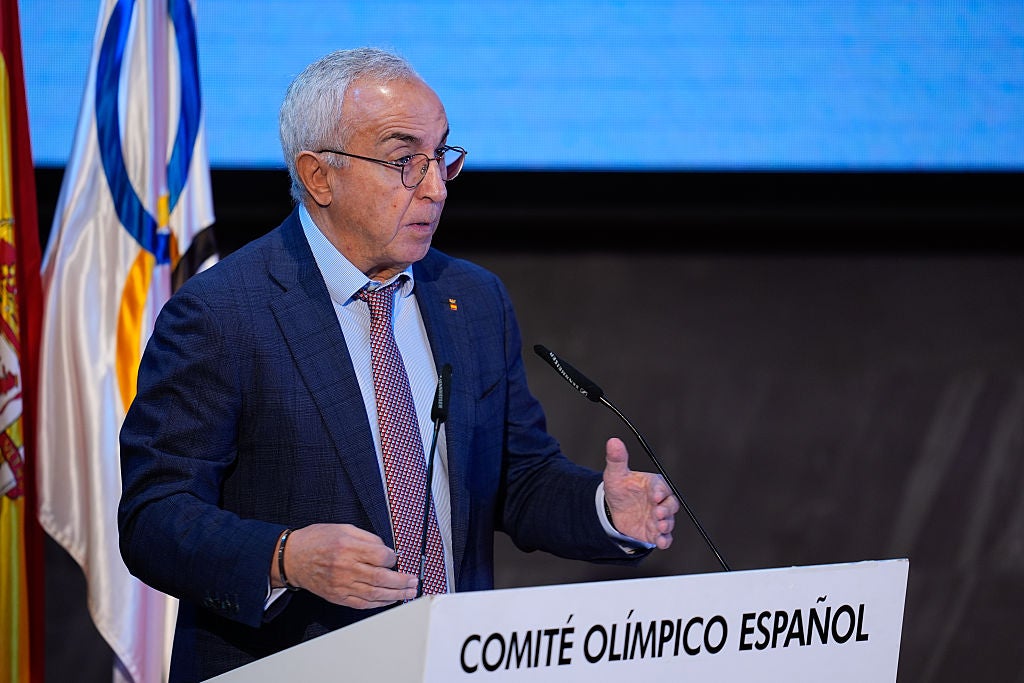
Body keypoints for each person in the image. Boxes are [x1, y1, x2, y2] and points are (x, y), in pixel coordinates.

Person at [117, 46, 679, 682]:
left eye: (440, 157)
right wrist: (284, 557)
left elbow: (516, 481)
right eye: (405, 161)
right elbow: (153, 517)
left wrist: (605, 510)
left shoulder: (473, 300)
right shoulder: (223, 313)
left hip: (451, 663)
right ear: (319, 176)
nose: (436, 187)